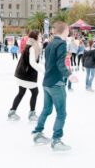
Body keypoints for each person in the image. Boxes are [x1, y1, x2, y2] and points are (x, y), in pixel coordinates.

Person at [32, 21, 78, 152]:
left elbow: (48, 63)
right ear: (65, 31)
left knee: (47, 109)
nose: (69, 32)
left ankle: (37, 134)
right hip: (56, 84)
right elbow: (60, 64)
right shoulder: (62, 43)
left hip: (46, 82)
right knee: (61, 113)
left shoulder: (50, 43)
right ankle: (56, 140)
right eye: (68, 30)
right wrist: (69, 75)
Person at [8, 31, 44, 121]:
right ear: (35, 37)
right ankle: (31, 114)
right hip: (27, 75)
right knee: (35, 92)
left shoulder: (30, 45)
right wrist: (43, 70)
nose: (41, 37)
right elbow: (32, 62)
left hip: (22, 73)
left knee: (21, 93)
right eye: (39, 36)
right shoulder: (32, 47)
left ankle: (12, 112)